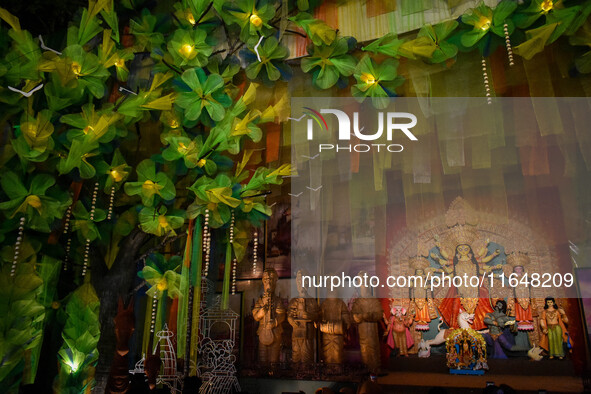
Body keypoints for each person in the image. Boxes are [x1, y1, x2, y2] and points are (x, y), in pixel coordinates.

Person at [252, 268, 286, 365]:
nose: (269, 283)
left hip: (275, 332)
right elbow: (256, 316)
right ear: (263, 282)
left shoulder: (278, 301)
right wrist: (261, 312)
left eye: (271, 280)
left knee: (273, 359)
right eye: (266, 280)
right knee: (263, 358)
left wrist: (275, 322)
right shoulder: (260, 301)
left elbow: (282, 315)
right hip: (263, 332)